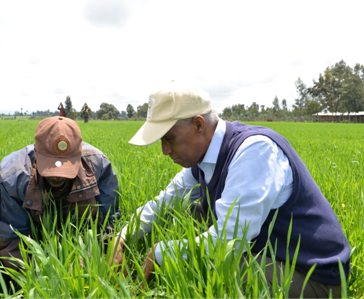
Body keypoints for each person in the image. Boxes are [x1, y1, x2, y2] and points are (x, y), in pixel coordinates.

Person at [110, 80, 350, 298]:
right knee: (193, 213)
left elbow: (229, 241)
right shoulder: (201, 159)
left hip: (313, 275)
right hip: (271, 251)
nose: (164, 150)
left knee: (209, 269)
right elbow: (164, 202)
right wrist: (122, 237)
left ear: (198, 124)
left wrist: (159, 253)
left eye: (169, 138)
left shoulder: (255, 151)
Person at [0, 116, 120, 296]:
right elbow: (12, 237)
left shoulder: (99, 164)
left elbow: (108, 223)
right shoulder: (17, 174)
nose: (58, 177)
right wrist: (40, 281)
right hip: (32, 230)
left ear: (78, 157)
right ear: (37, 154)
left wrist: (85, 262)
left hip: (75, 233)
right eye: (51, 168)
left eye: (65, 169)